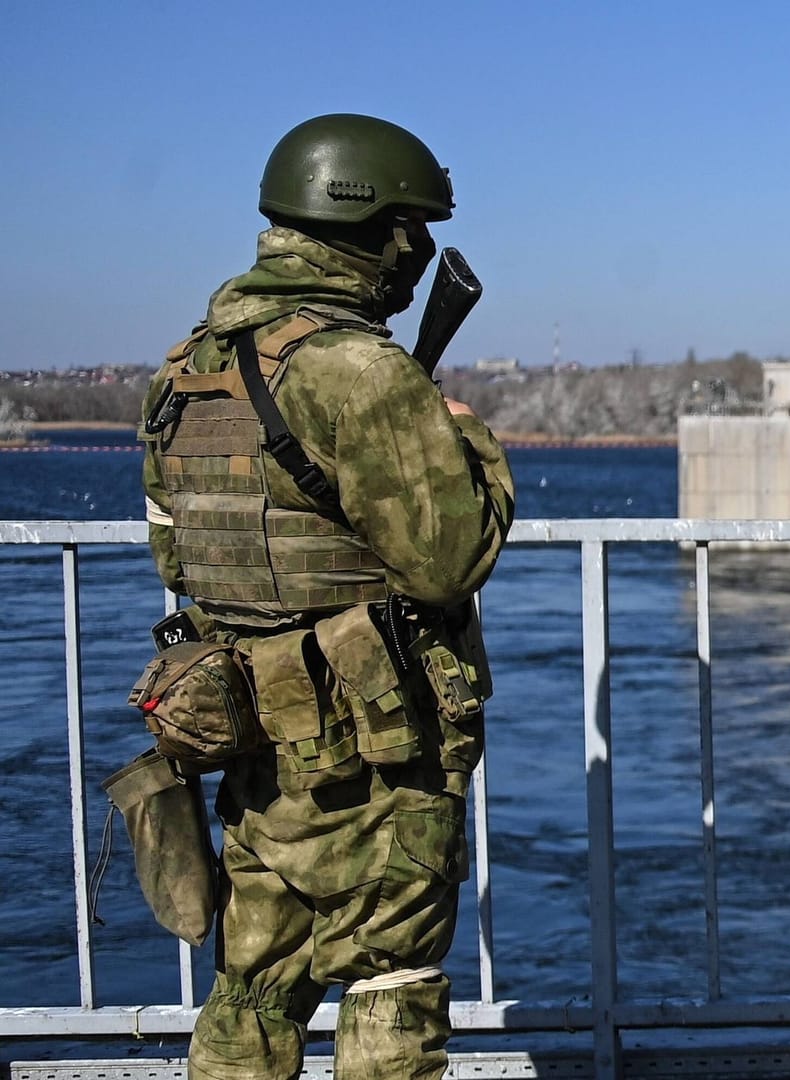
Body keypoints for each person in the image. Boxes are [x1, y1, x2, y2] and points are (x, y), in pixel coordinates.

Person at [137, 113, 514, 1079]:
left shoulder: (191, 370)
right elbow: (447, 559)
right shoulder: (358, 370)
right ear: (370, 226)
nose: (416, 255)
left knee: (256, 984)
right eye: (409, 229)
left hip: (251, 731)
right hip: (375, 742)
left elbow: (177, 556)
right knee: (389, 979)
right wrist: (466, 441)